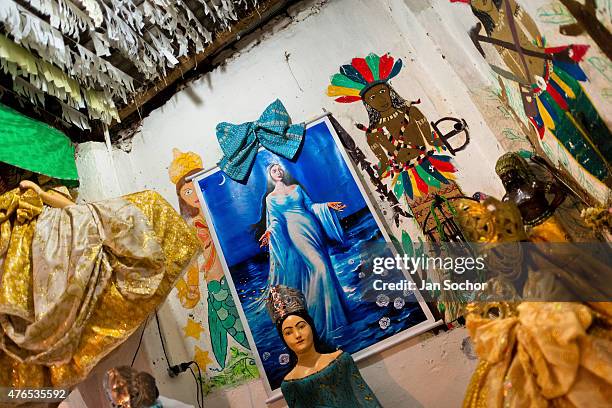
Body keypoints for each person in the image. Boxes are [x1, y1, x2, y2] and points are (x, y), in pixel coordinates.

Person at [0, 177, 199, 391]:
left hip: (45, 261)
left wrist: (41, 195)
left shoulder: (63, 213)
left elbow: (83, 215)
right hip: (39, 274)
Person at [454, 197, 612, 407]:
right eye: (493, 256)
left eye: (504, 252)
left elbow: (565, 320)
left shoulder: (545, 280)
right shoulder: (498, 288)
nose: (501, 261)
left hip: (567, 355)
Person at [460, 0, 612, 185]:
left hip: (551, 70)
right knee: (569, 136)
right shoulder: (482, 34)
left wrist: (537, 52)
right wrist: (525, 78)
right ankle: (604, 177)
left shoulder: (509, 6)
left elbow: (532, 30)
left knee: (588, 115)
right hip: (534, 90)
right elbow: (500, 68)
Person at [168, 148, 251, 370]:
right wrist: (193, 286)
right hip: (215, 279)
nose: (192, 195)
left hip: (242, 272)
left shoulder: (224, 210)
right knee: (225, 320)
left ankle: (231, 358)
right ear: (182, 199)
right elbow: (192, 261)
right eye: (186, 193)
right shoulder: (191, 227)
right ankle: (225, 361)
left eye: (194, 187)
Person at [256, 163, 348, 342]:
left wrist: (327, 205)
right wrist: (269, 232)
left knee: (324, 267)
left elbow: (310, 206)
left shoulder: (296, 188)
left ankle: (337, 317)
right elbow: (275, 220)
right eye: (274, 170)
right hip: (295, 233)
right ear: (270, 176)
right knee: (320, 268)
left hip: (312, 229)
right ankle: (319, 319)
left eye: (280, 168)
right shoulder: (271, 198)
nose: (279, 171)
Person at [267, 285, 382, 408]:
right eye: (288, 332)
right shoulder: (290, 384)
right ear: (283, 338)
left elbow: (365, 396)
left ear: (311, 327)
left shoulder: (341, 360)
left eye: (301, 326)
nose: (297, 335)